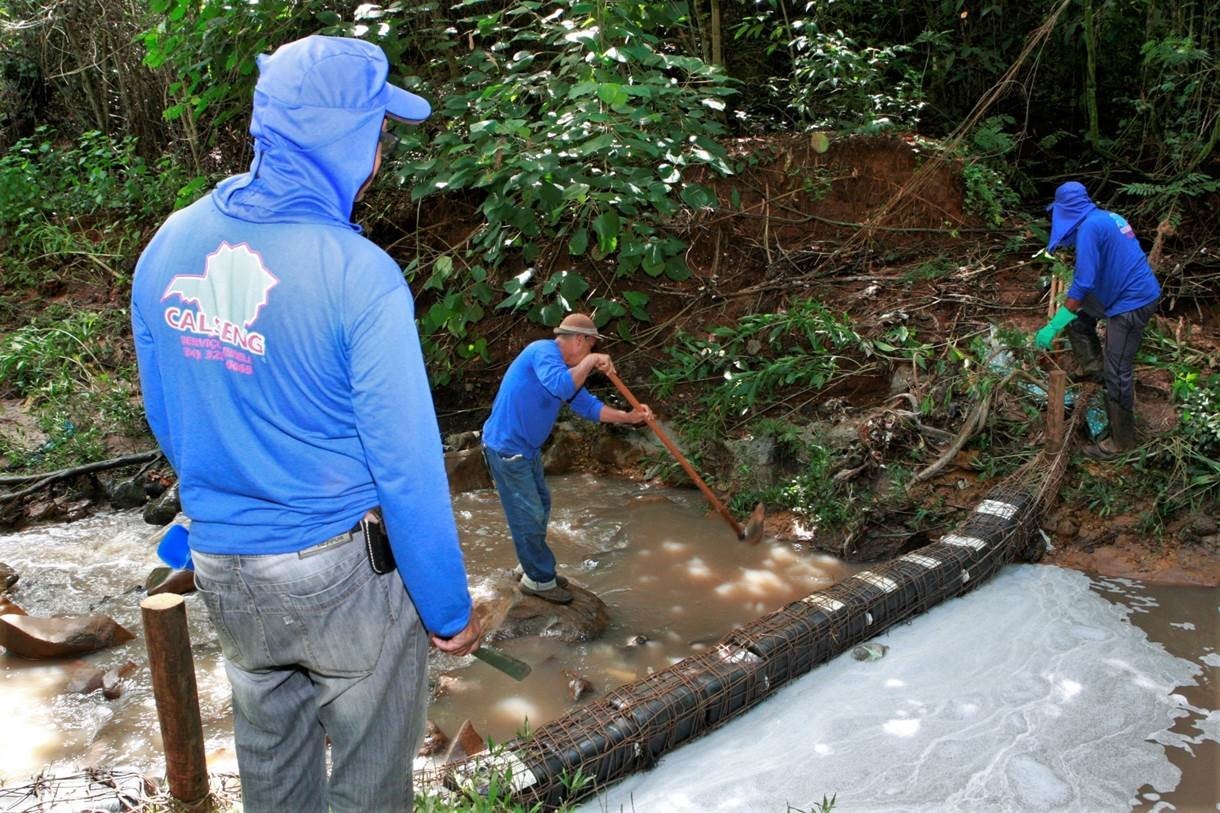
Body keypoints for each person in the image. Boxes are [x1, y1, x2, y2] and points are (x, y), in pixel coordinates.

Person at [131, 35, 480, 812]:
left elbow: (169, 418)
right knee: (368, 778)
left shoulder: (169, 243)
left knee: (273, 766)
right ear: (347, 143)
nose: (383, 153)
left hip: (225, 565)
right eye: (379, 133)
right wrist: (448, 610)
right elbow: (408, 466)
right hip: (339, 572)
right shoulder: (359, 274)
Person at [482, 313, 652, 604]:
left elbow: (589, 407)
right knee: (529, 513)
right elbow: (561, 386)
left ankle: (531, 566)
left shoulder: (563, 369)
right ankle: (539, 580)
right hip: (507, 449)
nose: (588, 354)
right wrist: (589, 362)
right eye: (589, 347)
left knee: (540, 506)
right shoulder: (543, 351)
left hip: (526, 449)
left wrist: (629, 417)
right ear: (579, 340)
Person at [1034, 181, 1161, 457]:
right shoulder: (1105, 218)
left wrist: (1053, 325)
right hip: (1122, 293)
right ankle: (1095, 369)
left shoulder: (1091, 228)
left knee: (1119, 371)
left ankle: (1122, 442)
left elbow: (1082, 284)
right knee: (1078, 317)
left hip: (1131, 303)